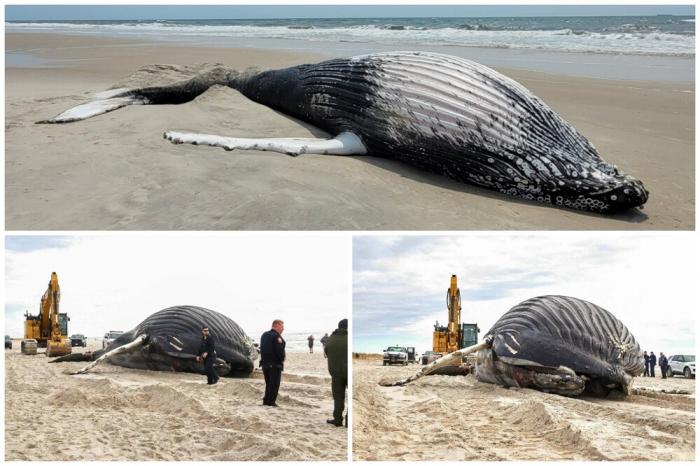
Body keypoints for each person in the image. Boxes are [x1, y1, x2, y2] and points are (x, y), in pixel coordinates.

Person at [324, 319, 348, 427]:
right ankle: (349, 421)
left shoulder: (330, 339)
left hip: (336, 372)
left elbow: (326, 353)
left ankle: (337, 419)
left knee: (338, 397)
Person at [260, 319, 286, 407]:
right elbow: (279, 352)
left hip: (265, 364)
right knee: (274, 384)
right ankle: (270, 402)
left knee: (268, 384)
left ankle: (266, 401)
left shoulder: (264, 335)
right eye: (282, 326)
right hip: (274, 364)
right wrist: (282, 359)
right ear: (277, 326)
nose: (283, 329)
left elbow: (262, 349)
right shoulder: (276, 337)